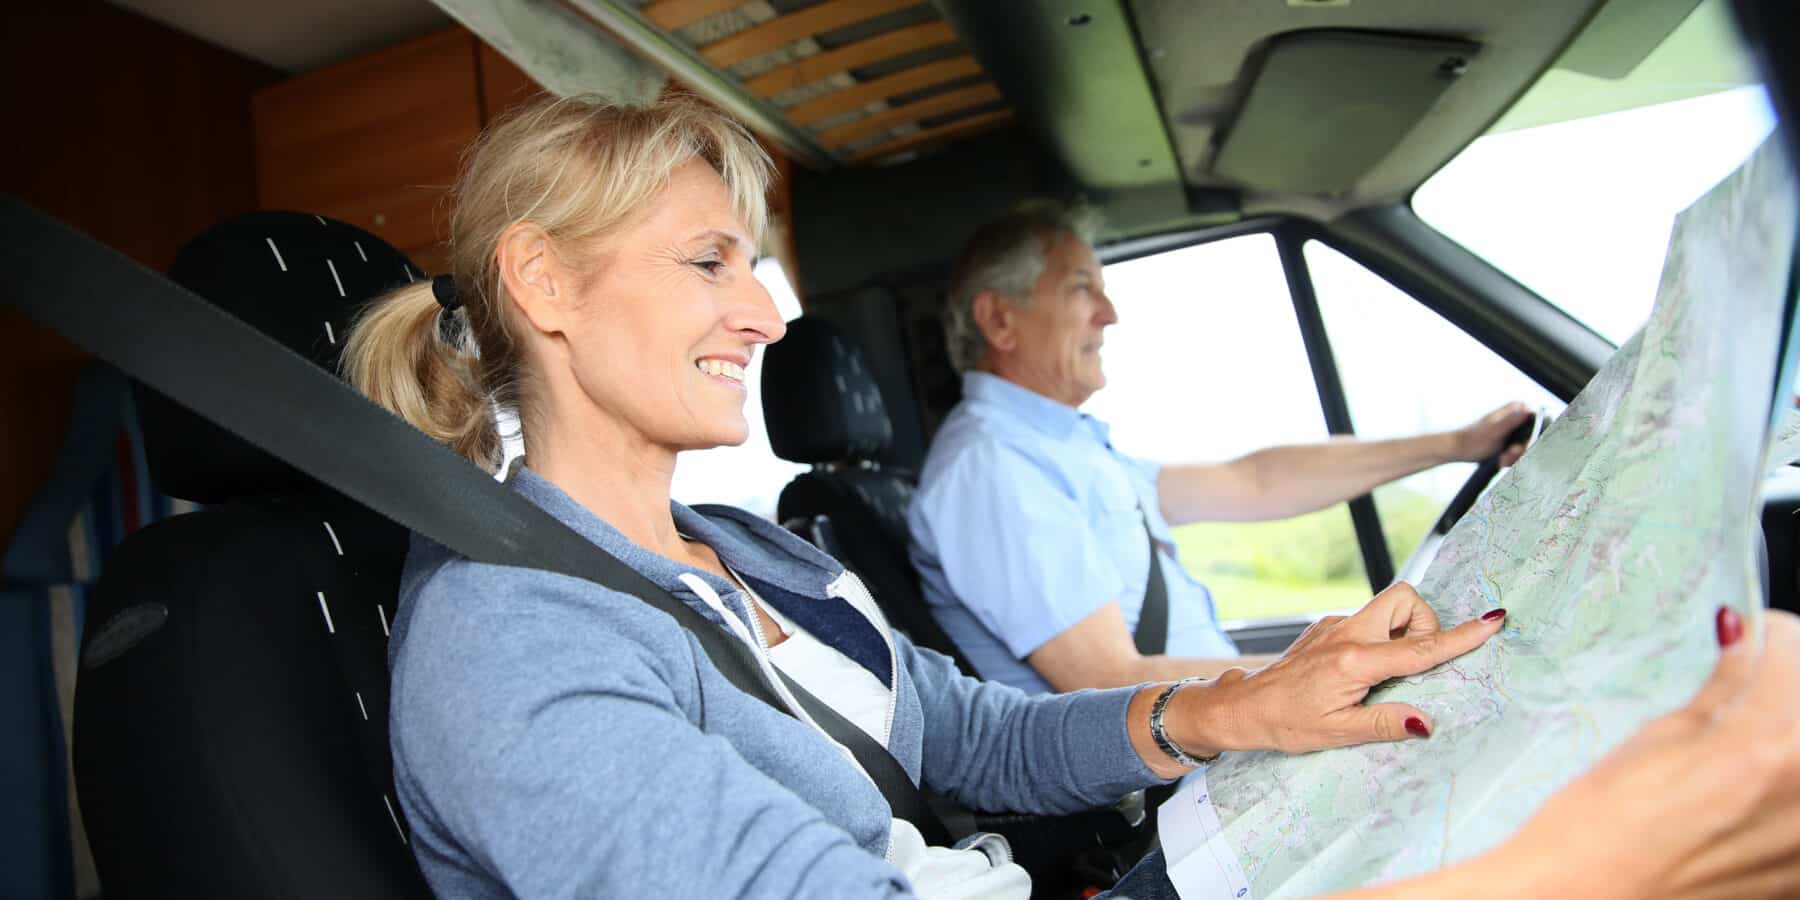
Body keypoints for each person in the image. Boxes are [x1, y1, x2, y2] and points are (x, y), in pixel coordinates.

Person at [344, 92, 1800, 899]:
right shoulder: (511, 640)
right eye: (709, 262)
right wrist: (1586, 865)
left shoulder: (736, 550)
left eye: (756, 263)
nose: (769, 314)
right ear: (543, 283)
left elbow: (965, 734)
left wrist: (1231, 711)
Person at [909, 202, 1533, 694]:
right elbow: (1108, 682)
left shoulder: (1058, 447)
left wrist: (1457, 444)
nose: (1110, 313)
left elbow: (1255, 483)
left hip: (1211, 739)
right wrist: (1355, 664)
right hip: (1172, 786)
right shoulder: (990, 467)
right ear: (1000, 321)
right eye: (1080, 289)